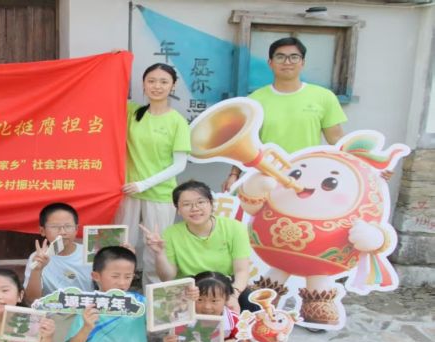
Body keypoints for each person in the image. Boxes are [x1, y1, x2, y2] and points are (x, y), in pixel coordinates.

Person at [222, 37, 347, 191]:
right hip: (265, 176)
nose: (287, 62)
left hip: (308, 174)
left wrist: (360, 169)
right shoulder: (254, 100)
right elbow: (246, 143)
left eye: (294, 57)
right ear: (270, 63)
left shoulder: (324, 96)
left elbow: (336, 139)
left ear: (303, 62)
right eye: (280, 57)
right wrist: (234, 174)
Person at [114, 63, 191, 286]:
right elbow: (108, 91)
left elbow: (179, 165)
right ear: (143, 84)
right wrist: (116, 61)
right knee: (120, 245)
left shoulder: (177, 121)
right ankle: (116, 294)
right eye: (151, 81)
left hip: (160, 194)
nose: (157, 86)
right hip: (128, 192)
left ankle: (153, 298)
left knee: (154, 249)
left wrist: (144, 184)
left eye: (164, 82)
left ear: (173, 86)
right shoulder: (132, 112)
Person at [142, 180, 252, 312]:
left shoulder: (235, 228)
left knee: (252, 307)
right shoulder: (171, 233)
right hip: (190, 290)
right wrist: (159, 253)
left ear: (211, 204)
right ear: (178, 210)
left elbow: (241, 271)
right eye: (186, 204)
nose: (195, 208)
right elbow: (167, 277)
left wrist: (233, 295)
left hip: (226, 286)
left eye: (200, 202)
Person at [23, 202, 92, 342]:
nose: (62, 232)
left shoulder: (90, 253)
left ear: (76, 229)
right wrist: (37, 270)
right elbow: (31, 299)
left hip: (88, 310)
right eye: (55, 227)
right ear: (42, 231)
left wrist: (124, 255)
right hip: (57, 314)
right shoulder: (37, 257)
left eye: (68, 226)